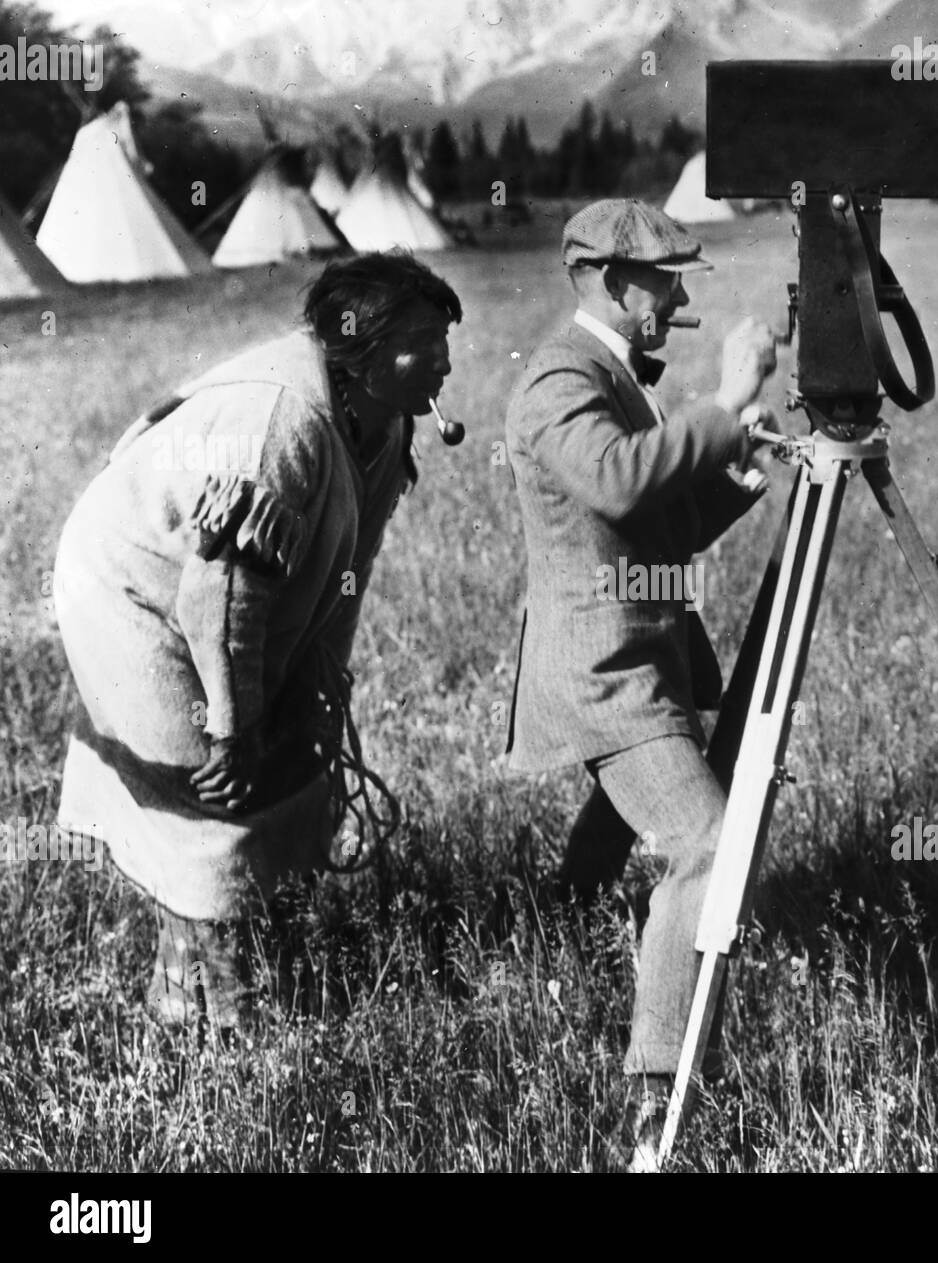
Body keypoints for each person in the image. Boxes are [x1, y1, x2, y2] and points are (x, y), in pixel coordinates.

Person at [52, 251, 462, 1031]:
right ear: (362, 352)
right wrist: (231, 727)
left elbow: (348, 575)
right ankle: (213, 1011)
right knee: (210, 799)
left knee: (292, 757)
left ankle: (244, 965)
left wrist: (320, 694)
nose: (443, 360)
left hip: (208, 590)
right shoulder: (283, 428)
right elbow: (222, 596)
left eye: (444, 340)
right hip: (136, 587)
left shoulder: (383, 424)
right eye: (421, 341)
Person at [504, 198, 778, 1169]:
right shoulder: (558, 380)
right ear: (614, 283)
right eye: (664, 281)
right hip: (605, 676)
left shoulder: (612, 376)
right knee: (710, 845)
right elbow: (618, 482)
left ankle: (541, 937)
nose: (675, 299)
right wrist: (725, 399)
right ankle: (656, 1097)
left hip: (637, 659)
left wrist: (738, 462)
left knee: (626, 820)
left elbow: (657, 525)